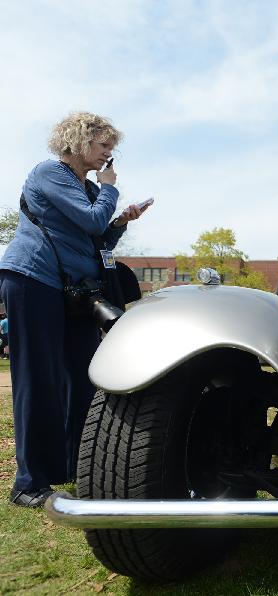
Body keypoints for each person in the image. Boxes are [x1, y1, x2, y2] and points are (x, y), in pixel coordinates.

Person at [0, 112, 149, 508]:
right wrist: (109, 191)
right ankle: (29, 483)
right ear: (78, 142)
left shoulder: (82, 185)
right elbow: (90, 218)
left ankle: (73, 468)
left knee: (83, 378)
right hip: (34, 279)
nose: (108, 156)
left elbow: (97, 232)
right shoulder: (50, 173)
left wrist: (121, 221)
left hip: (72, 291)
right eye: (103, 147)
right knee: (38, 379)